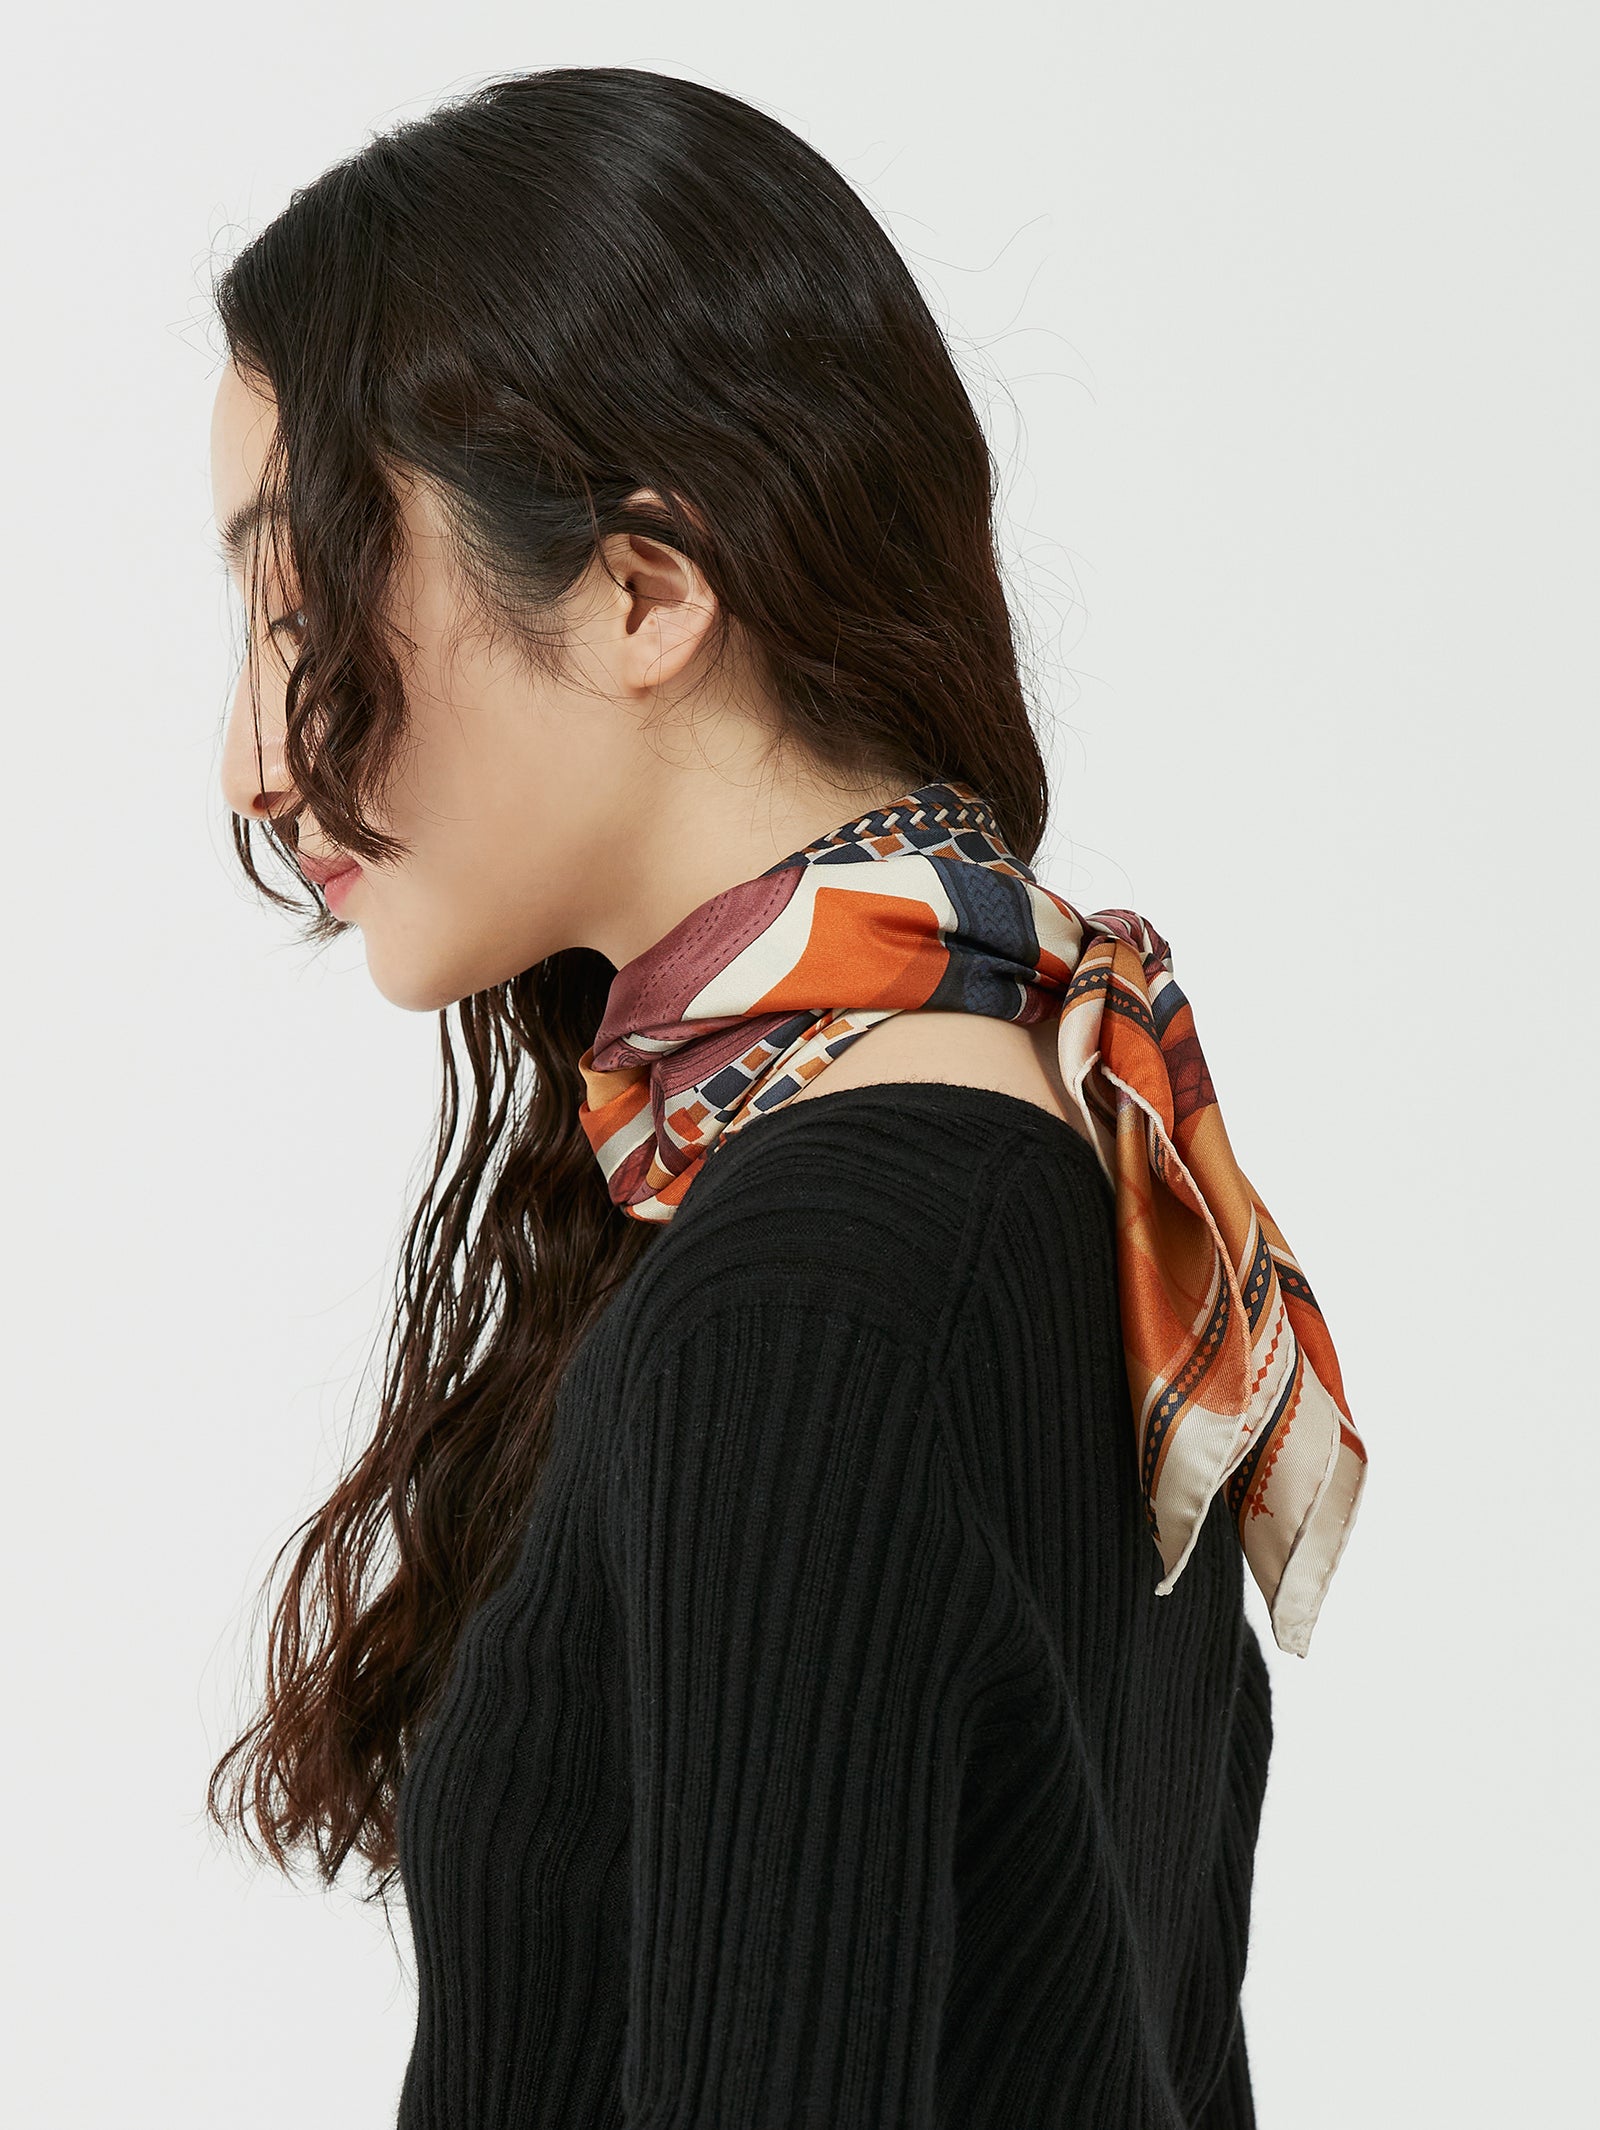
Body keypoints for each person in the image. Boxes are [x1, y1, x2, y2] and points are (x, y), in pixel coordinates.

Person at [205, 66, 1364, 2130]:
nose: (253, 764)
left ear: (643, 594)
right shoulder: (1084, 1196)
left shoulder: (807, 1304)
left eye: (299, 613)